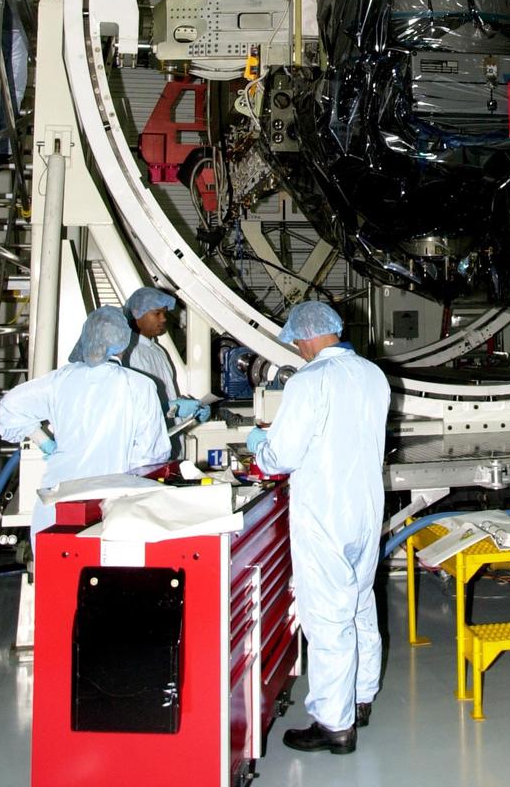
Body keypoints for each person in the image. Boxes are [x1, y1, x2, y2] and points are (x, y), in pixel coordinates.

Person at [246, 301, 390, 755]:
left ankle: (334, 723)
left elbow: (283, 456)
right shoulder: (372, 374)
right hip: (365, 508)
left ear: (307, 336)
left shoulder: (309, 381)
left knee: (328, 616)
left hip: (325, 511)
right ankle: (361, 696)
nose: (299, 349)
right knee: (360, 603)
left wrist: (259, 447)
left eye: (297, 341)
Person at [0, 305, 171, 536]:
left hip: (57, 502)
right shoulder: (139, 386)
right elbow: (153, 454)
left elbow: (9, 409)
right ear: (125, 341)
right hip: (111, 506)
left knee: (53, 568)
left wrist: (43, 441)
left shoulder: (59, 380)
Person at [123, 287, 211, 425]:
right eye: (157, 313)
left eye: (164, 313)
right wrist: (167, 408)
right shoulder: (129, 352)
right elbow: (132, 407)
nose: (164, 319)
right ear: (137, 315)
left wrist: (191, 411)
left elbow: (169, 396)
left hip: (169, 437)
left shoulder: (158, 350)